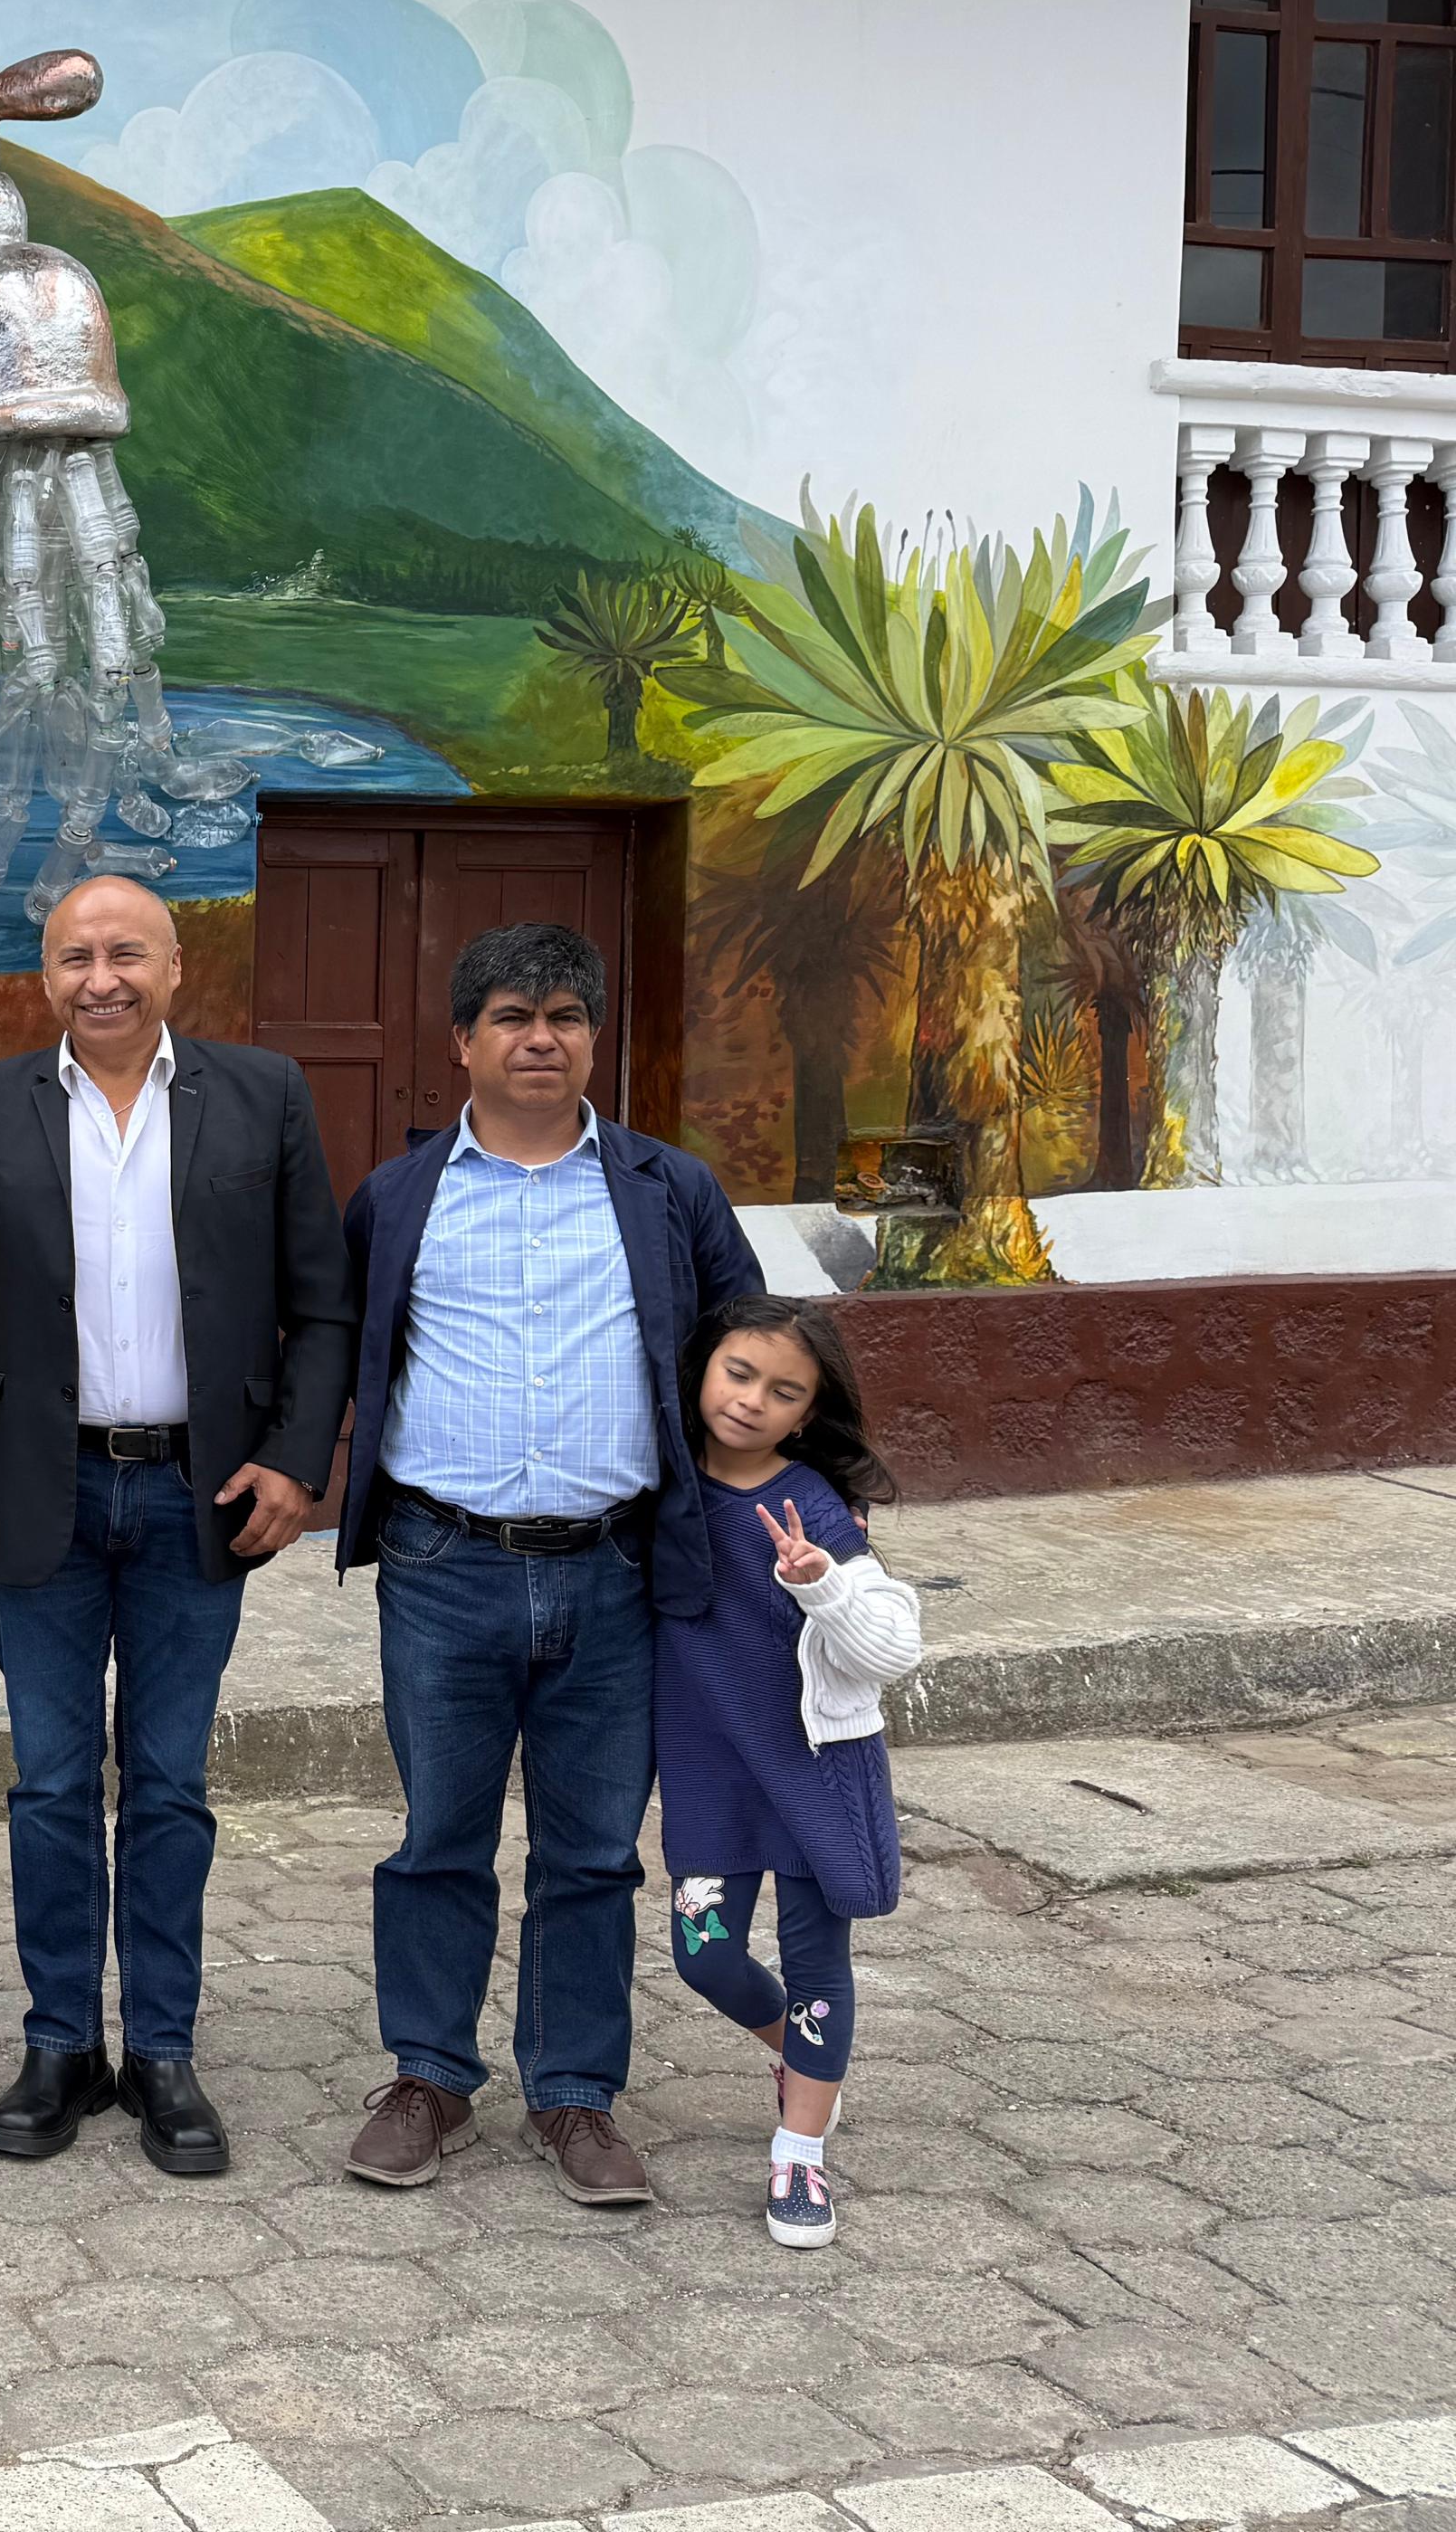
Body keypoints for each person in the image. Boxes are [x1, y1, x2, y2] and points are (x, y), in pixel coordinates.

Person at [0, 876, 357, 2177]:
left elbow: (323, 1303)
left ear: (174, 966)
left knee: (167, 1783)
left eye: (125, 953)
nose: (101, 978)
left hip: (199, 1496)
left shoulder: (261, 1095)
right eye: (75, 957)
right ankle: (58, 2046)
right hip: (33, 1493)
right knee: (49, 1783)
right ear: (45, 977)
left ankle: (161, 2050)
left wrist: (296, 1462)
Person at [334, 919, 766, 2209]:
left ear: (593, 1038)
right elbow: (342, 1349)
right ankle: (427, 2077)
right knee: (438, 1839)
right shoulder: (397, 1198)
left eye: (565, 1017)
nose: (540, 1038)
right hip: (441, 1564)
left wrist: (794, 1508)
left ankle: (574, 2093)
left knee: (593, 1853)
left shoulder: (667, 1190)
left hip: (615, 1573)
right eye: (512, 1017)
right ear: (461, 1042)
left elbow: (749, 1347)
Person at [660, 1291, 921, 2251]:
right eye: (738, 1373)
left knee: (818, 1966)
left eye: (782, 1391)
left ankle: (799, 2150)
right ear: (701, 1369)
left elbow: (892, 1648)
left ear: (807, 1414)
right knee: (704, 1957)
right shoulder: (658, 1482)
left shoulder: (808, 1503)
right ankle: (806, 2058)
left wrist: (822, 1586)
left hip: (814, 1770)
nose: (750, 1400)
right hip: (707, 1772)